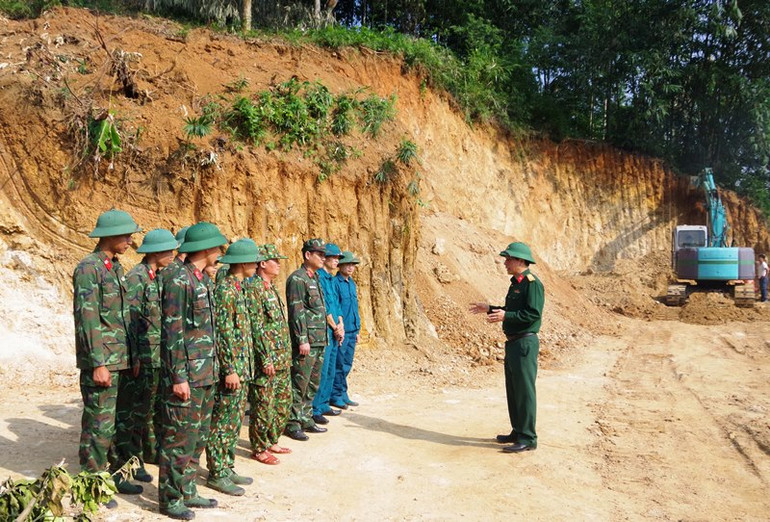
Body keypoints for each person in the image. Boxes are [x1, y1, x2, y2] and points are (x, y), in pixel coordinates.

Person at [72, 209, 143, 507]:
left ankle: (111, 477)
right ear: (110, 236)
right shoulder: (89, 268)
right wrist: (97, 363)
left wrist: (133, 355)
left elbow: (123, 318)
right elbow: (88, 320)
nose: (130, 240)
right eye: (126, 235)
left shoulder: (114, 267)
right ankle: (91, 485)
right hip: (103, 363)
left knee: (114, 425)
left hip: (121, 359)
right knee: (98, 427)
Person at [158, 222, 228, 520]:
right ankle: (170, 499)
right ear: (204, 248)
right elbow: (172, 333)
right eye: (217, 247)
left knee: (197, 437)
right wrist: (179, 377)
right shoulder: (179, 281)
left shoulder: (201, 280)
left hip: (206, 373)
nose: (220, 252)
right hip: (187, 375)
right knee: (179, 439)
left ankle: (187, 490)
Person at [113, 228, 178, 485]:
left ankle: (140, 456)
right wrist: (136, 357)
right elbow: (129, 320)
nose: (173, 255)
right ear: (155, 252)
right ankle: (129, 460)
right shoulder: (138, 277)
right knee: (133, 414)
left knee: (147, 412)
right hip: (142, 358)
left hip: (155, 356)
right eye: (169, 251)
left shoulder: (156, 276)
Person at [469, 241, 544, 453]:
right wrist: (490, 309)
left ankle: (528, 438)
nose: (505, 262)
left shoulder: (532, 284)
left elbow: (533, 314)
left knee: (525, 391)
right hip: (514, 343)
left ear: (521, 260)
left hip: (525, 343)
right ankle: (517, 431)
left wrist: (506, 315)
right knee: (513, 389)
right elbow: (512, 310)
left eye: (509, 258)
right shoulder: (517, 283)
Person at [205, 239, 258, 495]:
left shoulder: (237, 288)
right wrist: (230, 369)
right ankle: (216, 472)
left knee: (235, 421)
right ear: (244, 262)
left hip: (242, 366)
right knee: (222, 422)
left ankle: (227, 466)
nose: (257, 265)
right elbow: (223, 333)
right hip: (232, 369)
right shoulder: (225, 290)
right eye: (254, 261)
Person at [245, 244, 293, 464]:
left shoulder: (270, 286)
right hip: (268, 359)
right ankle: (259, 446)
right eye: (275, 260)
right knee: (263, 404)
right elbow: (257, 326)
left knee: (282, 402)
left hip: (282, 356)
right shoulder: (254, 287)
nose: (279, 264)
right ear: (263, 263)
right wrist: (265, 357)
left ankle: (272, 439)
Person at [284, 238, 329, 441]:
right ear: (307, 255)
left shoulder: (314, 278)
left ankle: (306, 417)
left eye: (323, 254)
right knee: (299, 382)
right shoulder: (298, 279)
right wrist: (302, 338)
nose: (323, 258)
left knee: (312, 383)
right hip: (307, 341)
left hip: (319, 339)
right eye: (319, 254)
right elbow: (296, 311)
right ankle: (292, 423)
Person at [312, 243, 344, 423]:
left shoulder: (331, 279)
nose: (336, 261)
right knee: (321, 371)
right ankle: (315, 408)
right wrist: (334, 326)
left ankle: (323, 403)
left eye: (337, 258)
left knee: (331, 369)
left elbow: (337, 305)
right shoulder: (320, 278)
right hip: (325, 330)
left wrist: (341, 324)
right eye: (334, 258)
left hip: (334, 330)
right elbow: (324, 307)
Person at [331, 251, 362, 410]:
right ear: (340, 265)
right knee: (339, 364)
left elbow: (355, 308)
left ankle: (343, 393)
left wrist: (357, 330)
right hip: (343, 330)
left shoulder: (351, 283)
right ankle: (336, 395)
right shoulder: (336, 283)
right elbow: (336, 308)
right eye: (348, 264)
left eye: (353, 265)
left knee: (347, 364)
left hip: (352, 329)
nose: (351, 267)